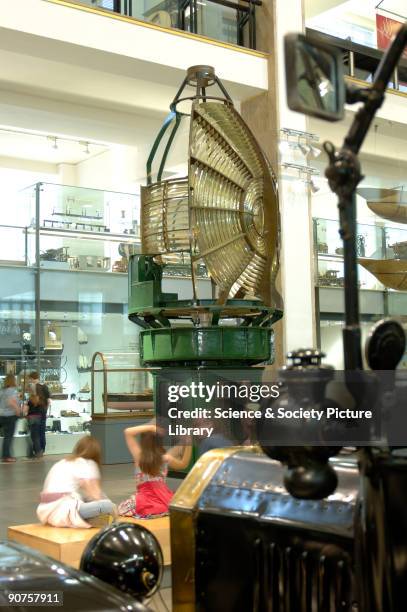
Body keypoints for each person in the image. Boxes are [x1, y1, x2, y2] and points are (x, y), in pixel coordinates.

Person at [37, 436, 116, 528]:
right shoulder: (88, 463)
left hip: (46, 513)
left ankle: (93, 520)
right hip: (64, 512)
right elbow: (95, 495)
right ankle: (94, 520)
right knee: (108, 506)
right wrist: (114, 508)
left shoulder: (63, 462)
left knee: (92, 505)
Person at [118, 422, 192, 518]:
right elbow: (183, 464)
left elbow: (128, 432)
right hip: (164, 499)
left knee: (121, 508)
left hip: (144, 500)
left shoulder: (139, 457)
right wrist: (189, 443)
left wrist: (151, 427)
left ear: (143, 441)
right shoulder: (165, 458)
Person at [27, 372, 50, 456]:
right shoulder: (44, 386)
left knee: (35, 433)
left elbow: (32, 400)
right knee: (42, 432)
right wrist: (46, 410)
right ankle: (42, 450)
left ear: (32, 378)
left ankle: (37, 450)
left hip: (35, 412)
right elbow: (48, 400)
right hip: (43, 412)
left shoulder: (32, 386)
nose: (29, 380)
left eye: (30, 378)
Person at [0, 374, 21, 463]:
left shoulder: (2, 391)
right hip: (10, 416)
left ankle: (6, 455)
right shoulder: (12, 390)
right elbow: (11, 402)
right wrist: (18, 410)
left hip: (2, 415)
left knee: (6, 437)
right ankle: (6, 456)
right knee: (8, 437)